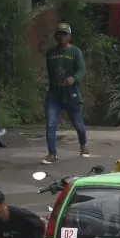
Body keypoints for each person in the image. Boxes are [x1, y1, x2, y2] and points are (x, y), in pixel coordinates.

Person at [43, 23, 89, 164]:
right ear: (56, 36)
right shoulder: (50, 53)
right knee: (51, 124)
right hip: (54, 94)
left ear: (69, 36)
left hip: (71, 93)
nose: (62, 37)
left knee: (78, 124)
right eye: (59, 34)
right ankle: (52, 154)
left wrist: (73, 78)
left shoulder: (75, 52)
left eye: (64, 34)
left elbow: (81, 70)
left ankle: (83, 145)